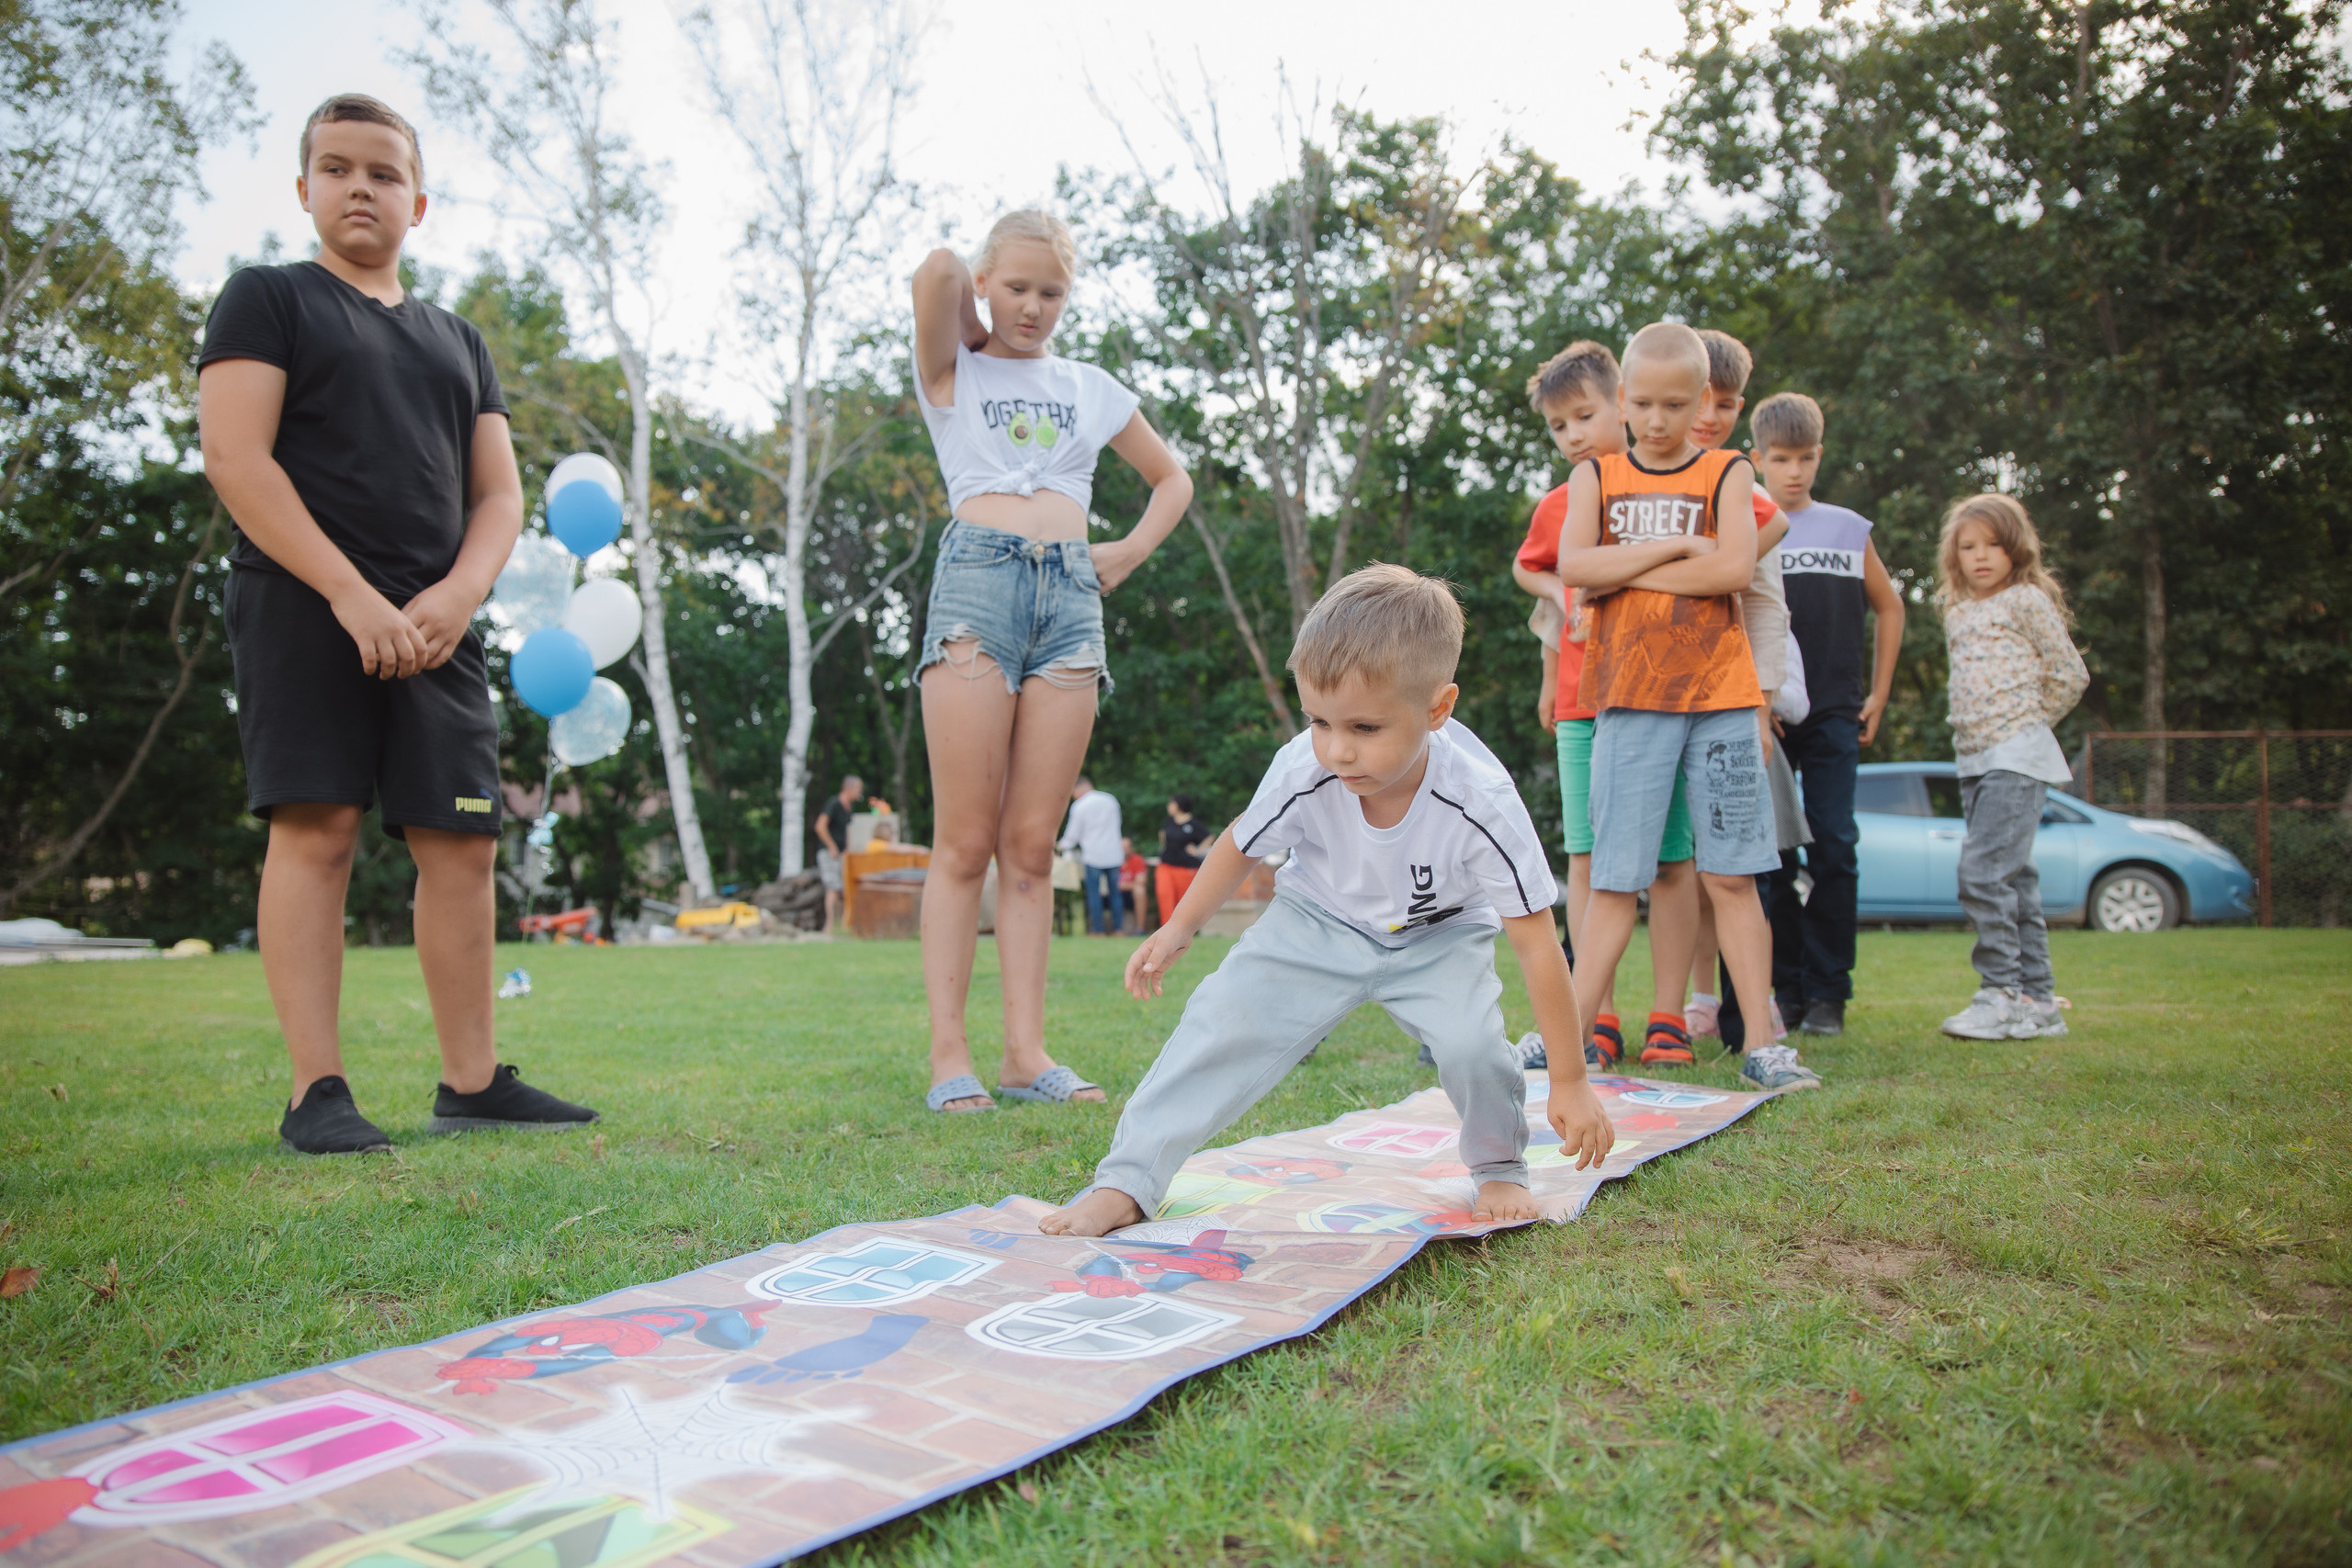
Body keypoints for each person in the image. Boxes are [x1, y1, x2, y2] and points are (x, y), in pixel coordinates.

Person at [198, 95, 596, 1155]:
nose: (358, 187)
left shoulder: (457, 341)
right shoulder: (268, 300)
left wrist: (458, 596)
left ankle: (471, 1082)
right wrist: (349, 594)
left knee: (460, 841)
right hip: (303, 603)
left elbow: (499, 498)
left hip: (436, 622)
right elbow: (238, 460)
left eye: (381, 173)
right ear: (304, 191)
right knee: (317, 833)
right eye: (335, 169)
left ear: (418, 201)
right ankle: (314, 1092)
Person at [1040, 565, 1613, 1237]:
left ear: (1438, 708)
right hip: (1316, 920)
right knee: (1219, 1021)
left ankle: (1498, 1165)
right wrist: (1177, 930)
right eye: (1320, 721)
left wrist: (1570, 1079)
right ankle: (1127, 1178)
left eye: (1366, 727)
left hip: (1440, 934)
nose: (1338, 749)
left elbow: (1536, 941)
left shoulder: (1481, 798)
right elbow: (1238, 843)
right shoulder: (1303, 768)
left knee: (1474, 1047)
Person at [910, 210, 1193, 1112]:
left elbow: (1171, 478)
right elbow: (934, 275)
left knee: (1031, 845)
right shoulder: (955, 367)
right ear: (988, 285)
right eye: (1017, 287)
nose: (1033, 306)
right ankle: (948, 1056)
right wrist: (973, 294)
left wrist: (1127, 552)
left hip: (1070, 599)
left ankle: (1024, 1055)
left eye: (1051, 291)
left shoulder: (1088, 384)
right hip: (977, 587)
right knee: (964, 841)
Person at [1555, 321, 1822, 1094]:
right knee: (1613, 878)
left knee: (1734, 878)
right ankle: (1569, 1040)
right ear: (1625, 399)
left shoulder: (1729, 471)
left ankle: (1765, 1047)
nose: (1661, 420)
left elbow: (1737, 566)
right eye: (1643, 403)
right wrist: (1680, 551)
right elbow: (1575, 566)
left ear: (1704, 399)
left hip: (1723, 701)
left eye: (1678, 404)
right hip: (1629, 700)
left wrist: (1627, 574)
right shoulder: (1596, 480)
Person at [1510, 341, 1699, 1068]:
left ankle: (1669, 1016)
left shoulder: (1670, 489)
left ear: (1622, 402)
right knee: (1585, 860)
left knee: (1673, 860)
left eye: (1586, 415)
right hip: (1584, 702)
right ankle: (1597, 1016)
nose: (1574, 434)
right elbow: (1532, 572)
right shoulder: (1558, 504)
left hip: (1663, 696)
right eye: (1559, 426)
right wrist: (1560, 597)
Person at [1751, 391, 1907, 1037]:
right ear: (1756, 459)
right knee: (1775, 857)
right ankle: (1784, 989)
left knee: (1835, 844)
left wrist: (1879, 693)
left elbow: (1890, 606)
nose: (1794, 470)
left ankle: (1828, 995)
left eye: (1806, 457)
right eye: (1781, 458)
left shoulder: (1850, 528)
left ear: (1820, 455)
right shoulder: (1747, 523)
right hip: (1771, 716)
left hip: (1837, 713)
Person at [1679, 329, 1804, 1056]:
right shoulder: (1630, 485)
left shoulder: (1748, 496)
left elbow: (1764, 605)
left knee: (1735, 865)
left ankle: (1756, 1017)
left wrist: (1761, 701)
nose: (1710, 416)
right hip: (1648, 701)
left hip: (1727, 700)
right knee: (1679, 869)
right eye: (1702, 399)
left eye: (1725, 404)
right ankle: (1694, 998)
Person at [1935, 495, 2087, 1042]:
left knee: (1981, 872)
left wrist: (2026, 722)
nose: (1980, 557)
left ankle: (1999, 993)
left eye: (1992, 545)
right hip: (1974, 760)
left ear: (2015, 548)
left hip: (2017, 756)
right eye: (1968, 547)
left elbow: (2070, 674)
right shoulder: (1957, 612)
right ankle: (2040, 1001)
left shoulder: (2025, 600)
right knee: (2015, 880)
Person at [1057, 776, 1125, 936]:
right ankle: (1118, 929)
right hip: (1114, 853)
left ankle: (1098, 930)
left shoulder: (1080, 805)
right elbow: (1118, 824)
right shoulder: (1110, 800)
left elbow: (1073, 834)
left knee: (1094, 894)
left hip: (1093, 855)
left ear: (1079, 789)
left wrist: (1061, 846)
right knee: (1115, 893)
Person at [813, 773, 864, 933]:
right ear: (849, 788)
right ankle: (829, 926)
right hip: (829, 854)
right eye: (858, 789)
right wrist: (832, 847)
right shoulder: (834, 804)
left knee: (843, 888)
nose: (860, 793)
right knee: (833, 887)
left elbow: (847, 832)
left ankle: (842, 925)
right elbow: (820, 826)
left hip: (842, 854)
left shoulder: (849, 808)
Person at [1155, 794, 1211, 932]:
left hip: (1186, 867)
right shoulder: (1169, 821)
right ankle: (1166, 929)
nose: (1169, 806)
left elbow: (1209, 836)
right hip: (1166, 864)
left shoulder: (1193, 824)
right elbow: (1162, 834)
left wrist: (1198, 850)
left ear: (1179, 805)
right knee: (1164, 894)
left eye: (1171, 803)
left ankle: (1185, 930)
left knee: (1184, 899)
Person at [1116, 837, 1149, 933]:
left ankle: (1140, 929)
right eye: (1121, 848)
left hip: (1130, 896)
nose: (1124, 851)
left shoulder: (1137, 860)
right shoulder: (1111, 861)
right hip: (1114, 895)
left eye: (1127, 847)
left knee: (1140, 890)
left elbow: (1142, 881)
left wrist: (1123, 885)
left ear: (1131, 848)